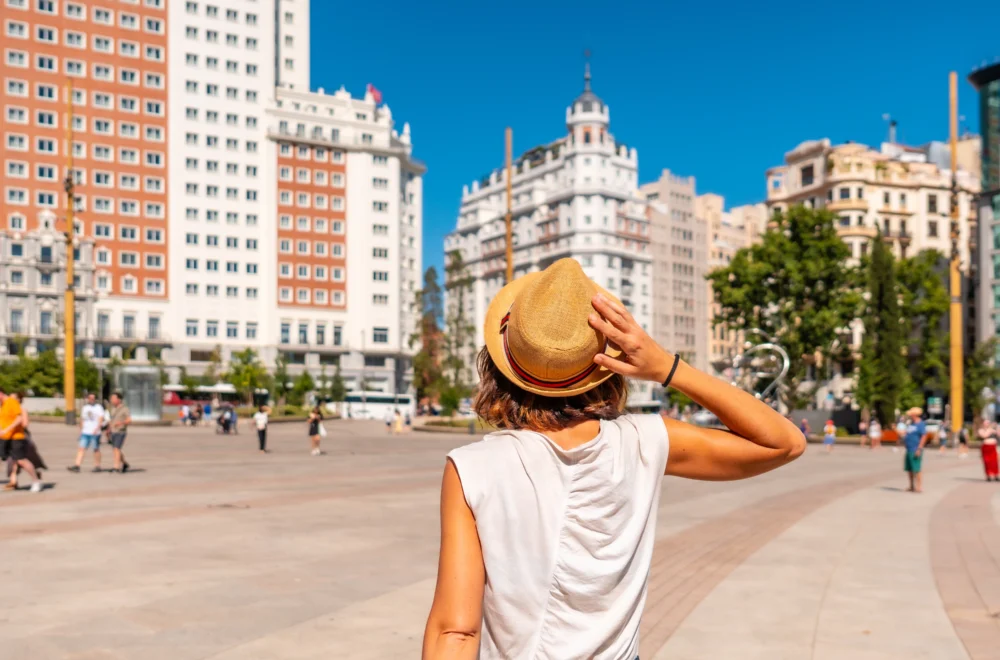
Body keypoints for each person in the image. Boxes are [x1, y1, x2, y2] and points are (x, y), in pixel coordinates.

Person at [421, 259, 806, 659]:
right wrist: (666, 367)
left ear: (501, 366)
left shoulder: (474, 467)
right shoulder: (644, 441)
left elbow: (457, 630)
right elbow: (782, 442)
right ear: (605, 362)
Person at [0, 387, 43, 492]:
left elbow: (19, 419)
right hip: (5, 438)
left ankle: (36, 481)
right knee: (12, 461)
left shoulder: (11, 402)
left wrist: (6, 430)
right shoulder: (2, 405)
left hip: (16, 437)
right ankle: (13, 481)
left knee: (21, 460)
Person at [69, 393, 105, 473]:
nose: (92, 399)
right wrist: (81, 430)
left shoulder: (98, 407)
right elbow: (82, 419)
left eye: (93, 398)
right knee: (81, 448)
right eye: (90, 398)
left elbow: (101, 418)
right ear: (88, 399)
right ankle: (77, 465)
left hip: (95, 432)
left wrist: (97, 428)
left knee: (96, 449)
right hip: (85, 431)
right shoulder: (85, 408)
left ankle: (97, 465)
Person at [902, 407, 932, 493]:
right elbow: (907, 433)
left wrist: (919, 448)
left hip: (915, 449)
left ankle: (919, 486)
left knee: (916, 468)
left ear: (914, 415)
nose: (910, 416)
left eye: (911, 414)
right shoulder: (911, 424)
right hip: (908, 449)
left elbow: (924, 436)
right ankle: (911, 486)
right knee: (909, 469)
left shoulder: (920, 424)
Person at [108, 391, 132, 474]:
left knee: (116, 449)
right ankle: (124, 463)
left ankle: (116, 467)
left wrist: (121, 423)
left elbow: (129, 420)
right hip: (113, 431)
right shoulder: (113, 408)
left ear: (119, 399)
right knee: (116, 449)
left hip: (120, 431)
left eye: (113, 398)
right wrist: (108, 429)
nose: (111, 400)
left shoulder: (125, 409)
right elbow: (111, 420)